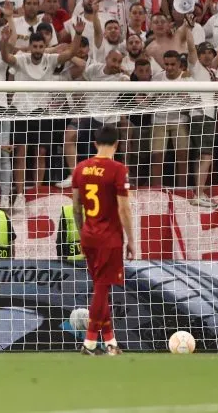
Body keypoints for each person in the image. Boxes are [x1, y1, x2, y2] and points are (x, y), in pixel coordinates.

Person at [71, 125, 135, 356]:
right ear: (117, 144)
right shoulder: (118, 169)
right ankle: (89, 343)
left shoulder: (80, 168)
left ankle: (111, 343)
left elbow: (76, 207)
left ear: (95, 144)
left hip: (89, 234)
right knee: (101, 287)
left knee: (101, 286)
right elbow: (124, 209)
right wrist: (131, 240)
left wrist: (82, 232)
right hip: (109, 237)